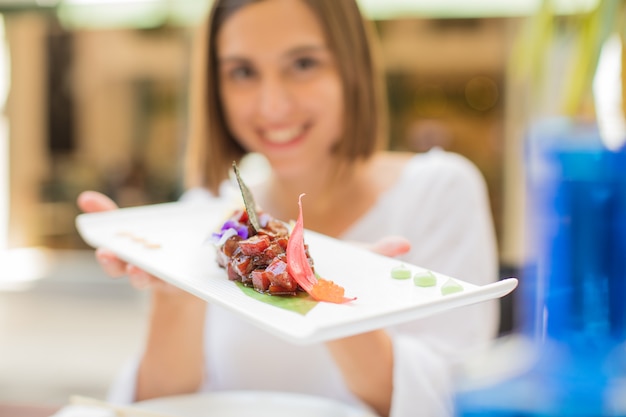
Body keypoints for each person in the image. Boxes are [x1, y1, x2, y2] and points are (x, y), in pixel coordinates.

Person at [77, 0, 499, 415]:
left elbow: (453, 399)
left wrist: (332, 298)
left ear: (351, 67)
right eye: (243, 72)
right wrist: (176, 295)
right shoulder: (211, 213)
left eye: (302, 64)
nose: (273, 105)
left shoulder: (437, 191)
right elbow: (154, 409)